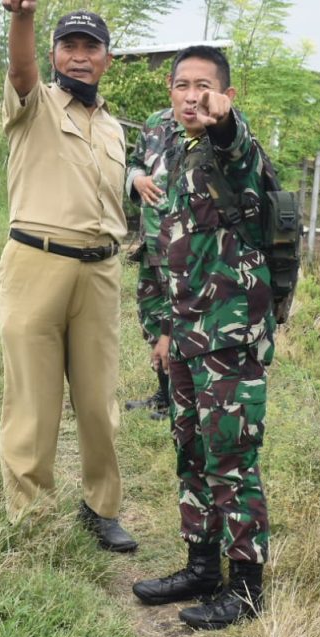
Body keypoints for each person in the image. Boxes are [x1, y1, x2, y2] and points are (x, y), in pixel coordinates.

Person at [129, 45, 272, 631]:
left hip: (230, 337)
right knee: (191, 452)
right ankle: (201, 567)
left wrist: (224, 122)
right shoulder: (167, 148)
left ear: (226, 95)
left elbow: (234, 143)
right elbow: (164, 248)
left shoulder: (233, 150)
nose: (192, 95)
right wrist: (162, 328)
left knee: (231, 460)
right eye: (183, 85)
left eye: (205, 87)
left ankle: (245, 587)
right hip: (185, 333)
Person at [0, 0, 136, 553]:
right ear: (54, 55)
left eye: (90, 48)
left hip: (100, 272)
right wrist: (23, 18)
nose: (79, 57)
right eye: (69, 47)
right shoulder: (34, 105)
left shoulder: (112, 126)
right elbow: (20, 70)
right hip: (36, 264)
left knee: (100, 402)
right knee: (34, 401)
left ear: (106, 59)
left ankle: (101, 508)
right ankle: (31, 515)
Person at [123, 106, 175, 421]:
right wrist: (137, 179)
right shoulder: (155, 123)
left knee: (180, 323)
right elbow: (135, 163)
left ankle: (182, 400)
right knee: (153, 320)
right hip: (150, 243)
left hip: (186, 248)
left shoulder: (214, 126)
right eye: (181, 82)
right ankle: (164, 394)